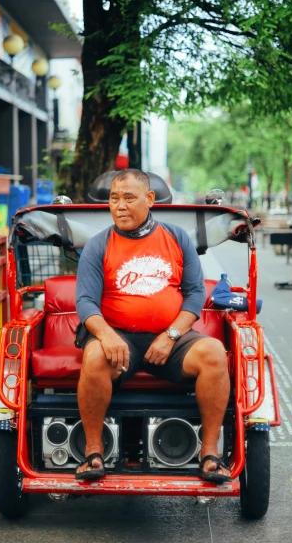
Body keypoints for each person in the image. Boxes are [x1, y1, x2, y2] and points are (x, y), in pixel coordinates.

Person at [75, 169, 231, 483]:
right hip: (119, 337)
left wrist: (171, 334)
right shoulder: (97, 244)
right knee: (93, 358)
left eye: (128, 198)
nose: (119, 206)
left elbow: (195, 292)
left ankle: (210, 453)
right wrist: (106, 335)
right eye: (114, 199)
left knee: (214, 352)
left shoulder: (176, 237)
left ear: (149, 200)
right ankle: (93, 453)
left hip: (170, 338)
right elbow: (85, 302)